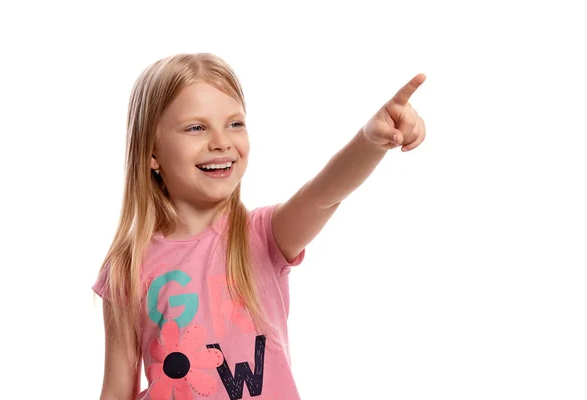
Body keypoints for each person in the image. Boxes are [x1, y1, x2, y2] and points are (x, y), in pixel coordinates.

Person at [93, 52, 426, 400]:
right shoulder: (126, 267)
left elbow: (325, 193)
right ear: (152, 152)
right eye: (196, 127)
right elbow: (117, 389)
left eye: (234, 124)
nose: (221, 141)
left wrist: (370, 142)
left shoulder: (264, 235)